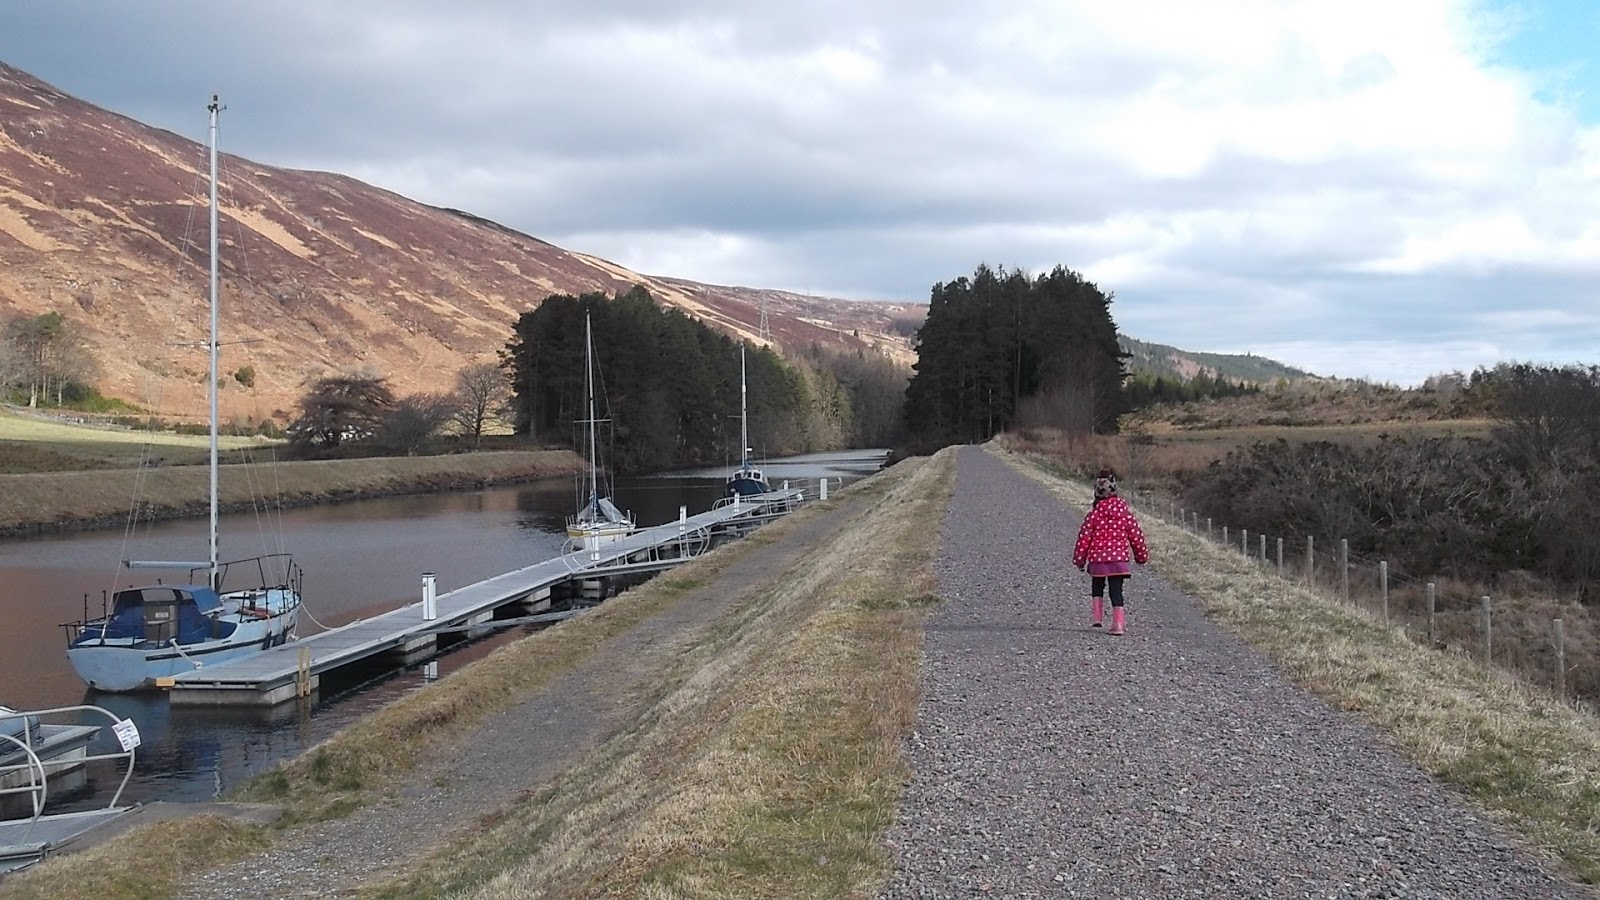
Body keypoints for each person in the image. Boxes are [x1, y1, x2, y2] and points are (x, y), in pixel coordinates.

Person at [1071, 468, 1150, 635]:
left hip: (1098, 560)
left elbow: (1083, 539)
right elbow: (1136, 536)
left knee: (1097, 585)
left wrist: (1079, 560)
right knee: (1116, 591)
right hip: (1118, 561)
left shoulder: (1093, 515)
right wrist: (1141, 557)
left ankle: (1097, 617)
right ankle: (1118, 624)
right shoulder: (1125, 515)